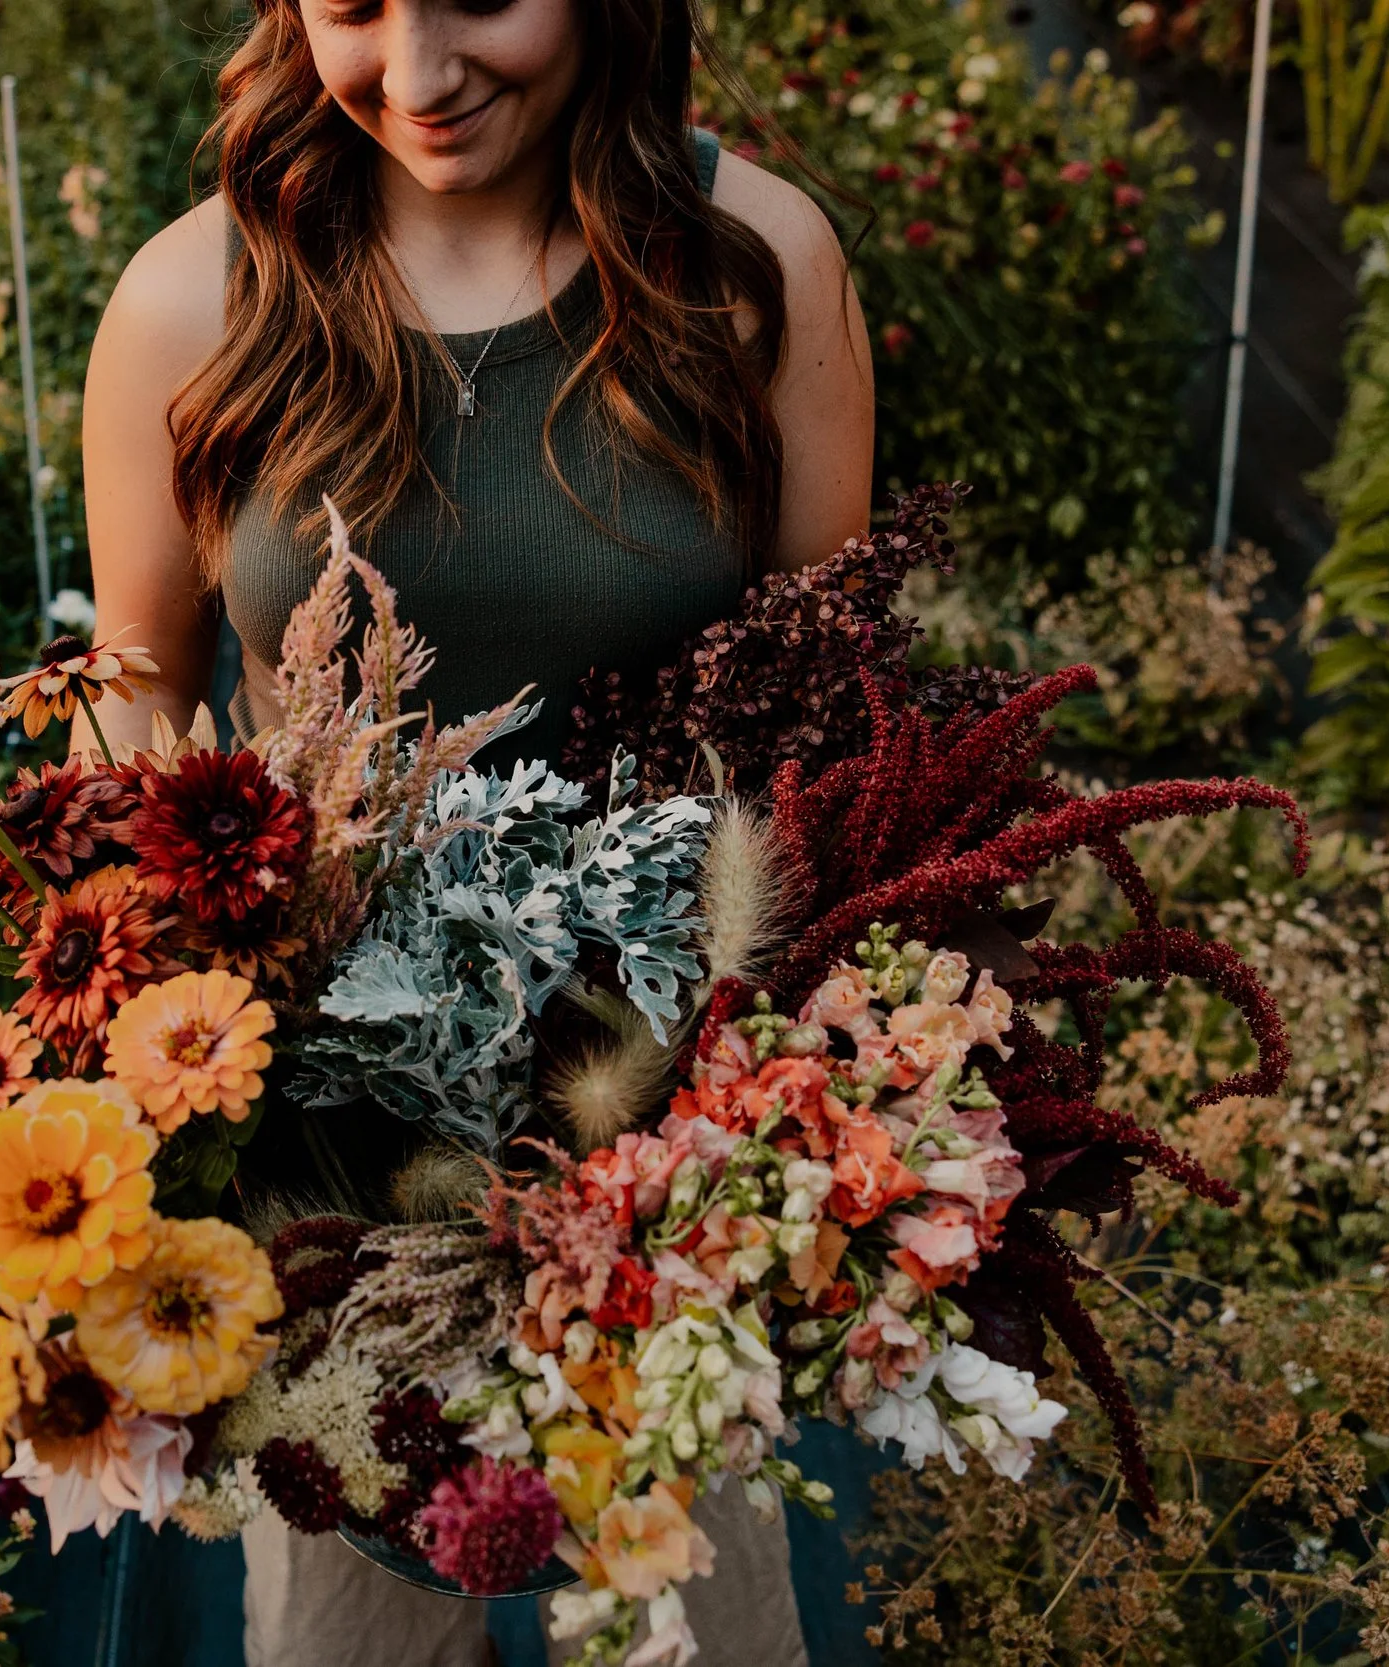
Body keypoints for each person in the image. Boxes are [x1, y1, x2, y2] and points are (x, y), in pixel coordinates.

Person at [79, 0, 874, 1659]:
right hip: (332, 1197)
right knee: (343, 1626)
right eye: (356, 7)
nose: (418, 77)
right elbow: (138, 685)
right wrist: (172, 990)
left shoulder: (749, 269)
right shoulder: (192, 302)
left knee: (703, 1623)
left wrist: (799, 1099)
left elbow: (831, 712)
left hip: (673, 1174)